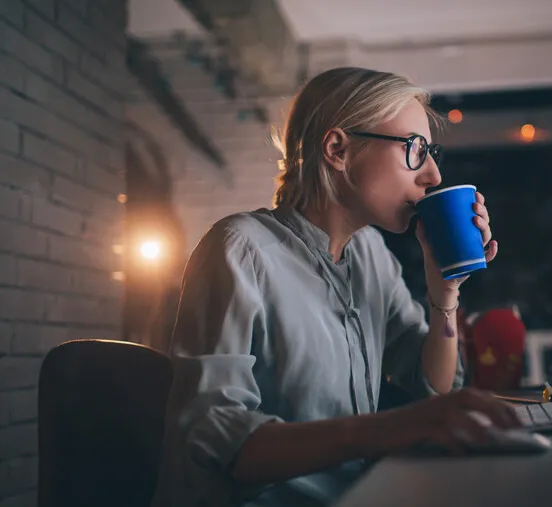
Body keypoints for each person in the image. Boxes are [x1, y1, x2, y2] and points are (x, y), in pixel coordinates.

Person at [151, 67, 522, 507]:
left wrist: (444, 294)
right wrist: (393, 428)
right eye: (415, 149)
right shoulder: (240, 249)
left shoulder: (372, 256)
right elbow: (215, 441)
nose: (433, 175)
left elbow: (435, 389)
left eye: (431, 151)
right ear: (337, 149)